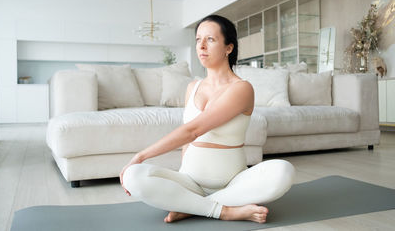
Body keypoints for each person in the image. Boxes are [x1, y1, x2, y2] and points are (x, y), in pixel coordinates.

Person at [120, 14, 295, 224]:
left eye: (210, 40)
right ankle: (224, 210)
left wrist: (140, 155)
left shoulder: (241, 88)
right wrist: (176, 176)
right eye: (198, 40)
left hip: (232, 182)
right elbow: (187, 138)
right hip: (189, 180)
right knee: (133, 176)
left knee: (284, 171)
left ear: (228, 48)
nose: (201, 46)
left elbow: (193, 130)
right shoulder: (192, 87)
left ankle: (191, 206)